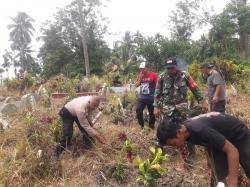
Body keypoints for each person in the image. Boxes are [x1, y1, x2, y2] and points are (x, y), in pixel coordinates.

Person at [157, 112, 250, 187]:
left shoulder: (199, 129)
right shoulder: (186, 131)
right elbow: (207, 140)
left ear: (179, 132)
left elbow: (232, 151)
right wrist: (210, 161)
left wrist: (232, 183)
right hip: (219, 141)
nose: (176, 147)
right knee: (220, 179)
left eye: (174, 144)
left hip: (239, 135)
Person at [154, 57, 205, 166]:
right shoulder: (162, 77)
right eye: (168, 68)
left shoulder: (185, 75)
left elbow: (194, 88)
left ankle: (191, 155)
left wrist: (202, 101)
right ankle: (158, 157)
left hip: (182, 109)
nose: (170, 70)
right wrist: (156, 107)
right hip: (167, 109)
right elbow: (157, 94)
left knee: (187, 130)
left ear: (176, 67)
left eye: (172, 68)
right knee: (162, 132)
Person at [134, 62, 158, 130]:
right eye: (141, 69)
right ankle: (141, 125)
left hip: (151, 98)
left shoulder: (153, 75)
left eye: (143, 69)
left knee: (152, 113)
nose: (142, 70)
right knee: (138, 109)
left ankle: (151, 126)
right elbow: (136, 85)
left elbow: (158, 86)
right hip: (142, 97)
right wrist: (140, 78)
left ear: (147, 68)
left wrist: (157, 97)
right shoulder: (140, 75)